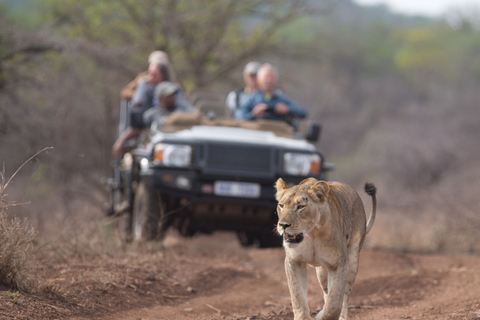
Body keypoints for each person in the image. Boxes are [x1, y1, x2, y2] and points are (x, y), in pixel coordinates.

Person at [112, 62, 168, 159]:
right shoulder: (144, 82)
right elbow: (137, 101)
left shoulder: (169, 86)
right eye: (151, 73)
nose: (152, 77)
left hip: (163, 120)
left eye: (155, 74)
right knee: (122, 141)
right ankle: (119, 160)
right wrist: (145, 85)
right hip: (144, 120)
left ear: (162, 75)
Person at [235, 64, 307, 122]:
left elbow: (303, 112)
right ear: (259, 79)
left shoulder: (280, 98)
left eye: (271, 77)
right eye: (266, 77)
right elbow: (238, 116)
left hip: (278, 133)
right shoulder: (251, 98)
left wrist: (287, 109)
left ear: (276, 80)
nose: (268, 81)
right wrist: (253, 114)